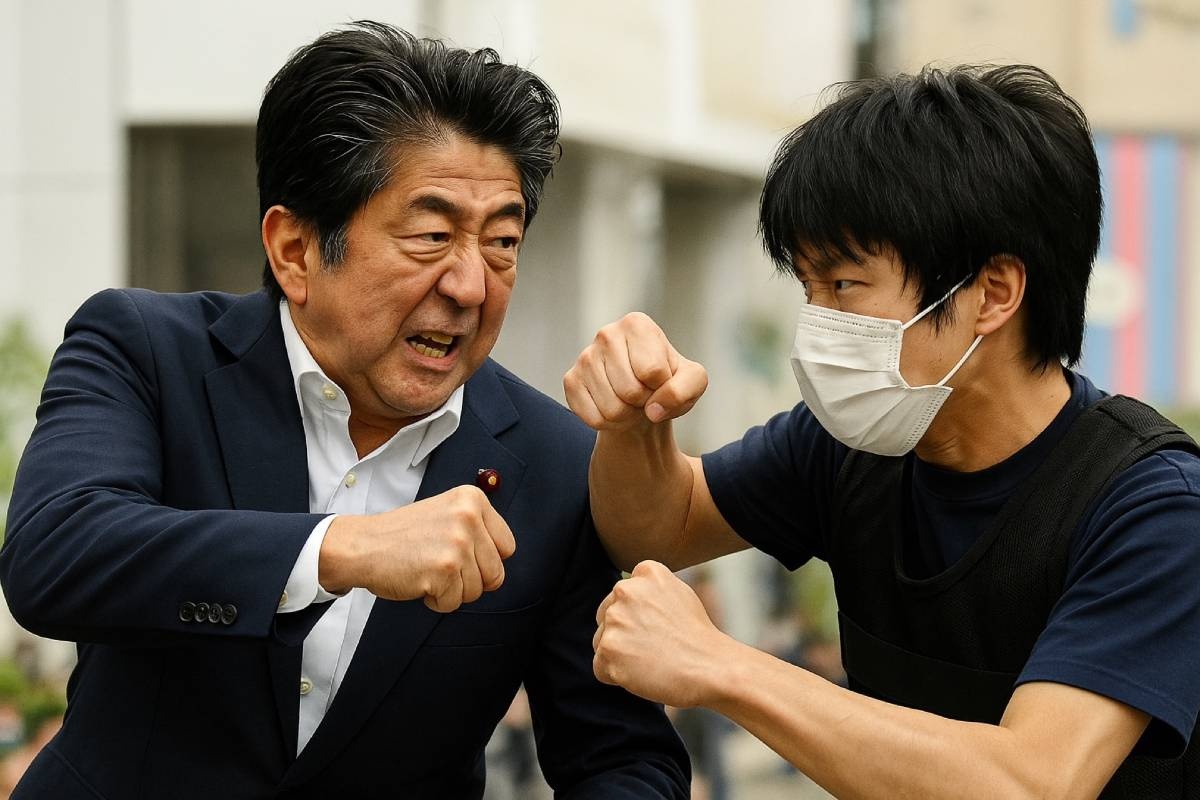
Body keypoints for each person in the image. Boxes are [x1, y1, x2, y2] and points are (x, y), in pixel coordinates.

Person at [0, 22, 688, 800]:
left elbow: (624, 760)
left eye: (502, 242)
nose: (470, 285)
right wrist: (341, 549)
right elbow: (56, 555)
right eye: (431, 235)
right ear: (294, 250)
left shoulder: (557, 462)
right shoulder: (147, 351)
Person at [565, 64, 1200, 799]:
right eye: (808, 287)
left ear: (993, 293)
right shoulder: (852, 445)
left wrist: (721, 665)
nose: (818, 323)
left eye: (844, 285)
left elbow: (1029, 783)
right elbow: (660, 526)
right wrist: (633, 423)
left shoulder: (1155, 509)